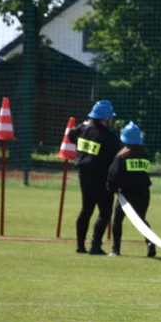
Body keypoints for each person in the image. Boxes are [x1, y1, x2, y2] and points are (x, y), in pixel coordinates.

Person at [67, 100, 120, 255]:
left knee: (86, 209)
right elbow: (114, 160)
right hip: (101, 177)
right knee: (105, 211)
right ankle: (95, 245)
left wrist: (84, 124)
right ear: (105, 119)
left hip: (84, 174)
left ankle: (80, 245)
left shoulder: (82, 129)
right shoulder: (109, 137)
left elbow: (71, 134)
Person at [106, 122, 156, 258]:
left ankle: (116, 250)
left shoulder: (122, 156)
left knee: (117, 220)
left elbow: (114, 174)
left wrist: (112, 188)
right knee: (141, 219)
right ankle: (150, 243)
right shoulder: (145, 154)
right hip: (143, 192)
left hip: (126, 194)